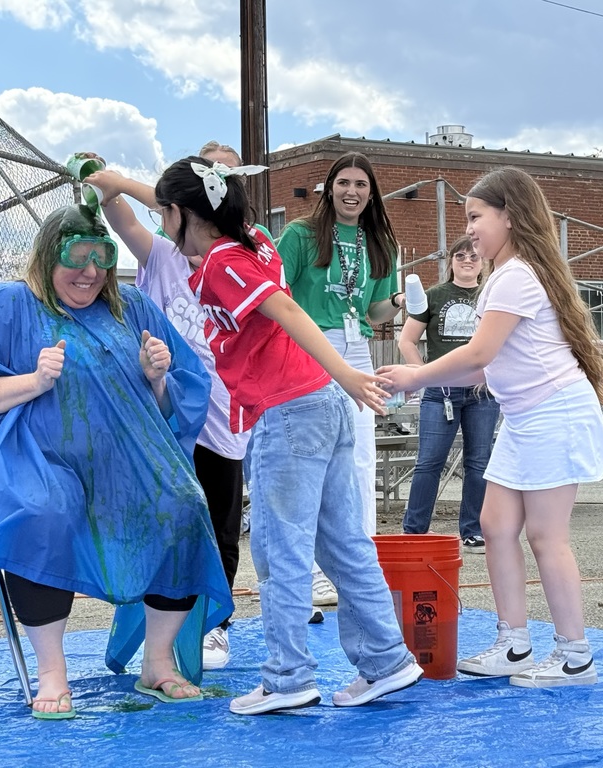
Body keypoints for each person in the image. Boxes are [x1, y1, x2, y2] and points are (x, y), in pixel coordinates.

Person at [0, 201, 233, 719]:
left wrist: (158, 379)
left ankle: (157, 662)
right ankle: (52, 671)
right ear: (50, 254)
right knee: (43, 512)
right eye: (77, 256)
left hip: (127, 466)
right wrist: (33, 382)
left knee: (181, 503)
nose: (90, 272)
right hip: (35, 460)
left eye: (102, 257)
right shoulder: (10, 304)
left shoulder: (131, 307)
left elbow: (181, 401)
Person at [154, 155, 422, 715]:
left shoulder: (226, 260)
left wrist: (347, 373)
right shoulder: (251, 242)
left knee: (281, 548)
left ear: (179, 212)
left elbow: (286, 310)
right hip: (318, 402)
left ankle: (287, 677)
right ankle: (387, 660)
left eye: (163, 211)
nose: (160, 222)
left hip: (293, 408)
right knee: (343, 543)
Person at [379, 166, 603, 688]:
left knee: (545, 535)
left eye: (476, 217)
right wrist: (417, 380)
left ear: (509, 216)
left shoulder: (515, 276)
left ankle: (575, 656)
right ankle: (514, 643)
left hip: (553, 414)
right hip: (525, 417)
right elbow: (483, 368)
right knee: (495, 525)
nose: (470, 231)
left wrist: (415, 375)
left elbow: (479, 354)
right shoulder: (506, 275)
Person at [85, 145, 251, 670]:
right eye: (209, 170)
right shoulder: (162, 255)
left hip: (222, 416)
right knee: (158, 522)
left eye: (227, 173)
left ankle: (213, 625)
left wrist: (120, 181)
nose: (217, 181)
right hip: (163, 415)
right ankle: (151, 626)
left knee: (217, 523)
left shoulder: (243, 256)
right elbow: (122, 217)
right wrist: (104, 181)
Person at [276, 151, 404, 605]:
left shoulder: (380, 242)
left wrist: (399, 302)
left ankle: (360, 564)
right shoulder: (300, 234)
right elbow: (277, 295)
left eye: (361, 185)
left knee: (361, 458)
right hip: (312, 345)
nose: (352, 192)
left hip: (358, 347)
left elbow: (375, 312)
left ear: (371, 193)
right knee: (312, 457)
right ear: (329, 188)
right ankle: (313, 571)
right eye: (344, 183)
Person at [397, 235, 498, 553]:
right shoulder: (434, 296)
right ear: (451, 261)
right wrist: (423, 375)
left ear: (482, 262)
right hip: (441, 393)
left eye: (473, 256)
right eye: (460, 256)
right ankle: (414, 532)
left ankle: (473, 530)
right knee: (430, 461)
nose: (467, 260)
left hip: (482, 392)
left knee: (479, 462)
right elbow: (406, 340)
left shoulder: (491, 296)